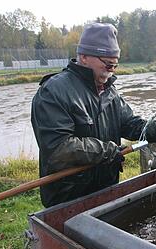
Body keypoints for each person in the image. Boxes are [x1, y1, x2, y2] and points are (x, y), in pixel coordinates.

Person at [31, 23, 147, 208]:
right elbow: (59, 149)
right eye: (107, 64)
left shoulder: (110, 91)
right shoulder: (53, 91)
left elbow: (129, 123)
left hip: (106, 189)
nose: (111, 70)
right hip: (69, 198)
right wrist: (109, 151)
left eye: (115, 65)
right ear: (84, 57)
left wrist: (154, 129)